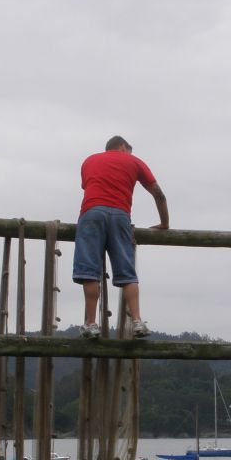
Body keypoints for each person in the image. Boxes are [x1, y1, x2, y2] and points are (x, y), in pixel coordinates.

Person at [73, 136, 169, 339]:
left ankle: (91, 324)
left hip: (91, 213)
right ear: (123, 147)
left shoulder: (89, 160)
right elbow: (159, 194)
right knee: (127, 271)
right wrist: (164, 223)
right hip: (120, 215)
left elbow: (89, 186)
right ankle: (137, 321)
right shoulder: (134, 162)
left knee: (90, 271)